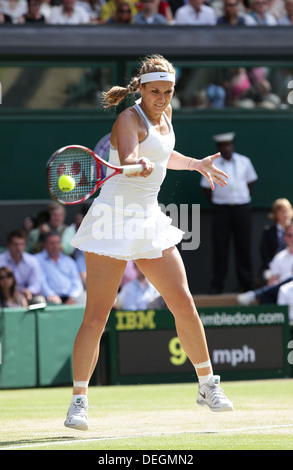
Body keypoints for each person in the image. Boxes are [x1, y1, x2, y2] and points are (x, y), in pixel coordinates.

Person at [64, 54, 233, 432]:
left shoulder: (167, 113)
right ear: (140, 89)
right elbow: (130, 155)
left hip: (148, 219)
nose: (161, 97)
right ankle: (78, 402)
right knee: (97, 315)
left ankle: (207, 384)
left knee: (184, 302)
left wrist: (194, 164)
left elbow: (161, 154)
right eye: (155, 91)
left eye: (168, 91)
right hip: (112, 219)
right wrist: (134, 162)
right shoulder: (128, 118)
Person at [200, 132, 258, 294]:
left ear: (233, 145)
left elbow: (250, 182)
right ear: (218, 148)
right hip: (221, 210)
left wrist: (241, 198)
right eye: (223, 146)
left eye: (229, 145)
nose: (226, 148)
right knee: (220, 249)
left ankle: (247, 285)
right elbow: (206, 188)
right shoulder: (213, 164)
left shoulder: (244, 161)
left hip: (242, 208)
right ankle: (217, 286)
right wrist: (219, 201)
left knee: (244, 247)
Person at [238, 221, 293, 305]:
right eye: (290, 235)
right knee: (267, 295)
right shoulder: (279, 257)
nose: (292, 238)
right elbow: (272, 281)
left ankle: (255, 294)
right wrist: (273, 285)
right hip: (282, 292)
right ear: (284, 237)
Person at [35, 231, 84, 305]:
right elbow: (41, 281)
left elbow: (76, 281)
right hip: (48, 298)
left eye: (57, 243)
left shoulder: (69, 261)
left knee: (85, 298)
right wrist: (50, 295)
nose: (55, 246)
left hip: (71, 297)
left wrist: (73, 297)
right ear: (44, 244)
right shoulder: (37, 259)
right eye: (51, 243)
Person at [0, 230, 41, 304]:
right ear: (8, 245)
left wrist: (28, 291)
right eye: (15, 244)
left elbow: (35, 285)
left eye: (22, 244)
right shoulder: (1, 261)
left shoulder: (32, 261)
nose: (19, 248)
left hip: (26, 299)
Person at [259, 198, 293, 282]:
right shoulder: (268, 232)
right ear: (275, 214)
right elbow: (264, 252)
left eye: (287, 211)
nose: (285, 214)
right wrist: (275, 266)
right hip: (273, 267)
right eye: (282, 211)